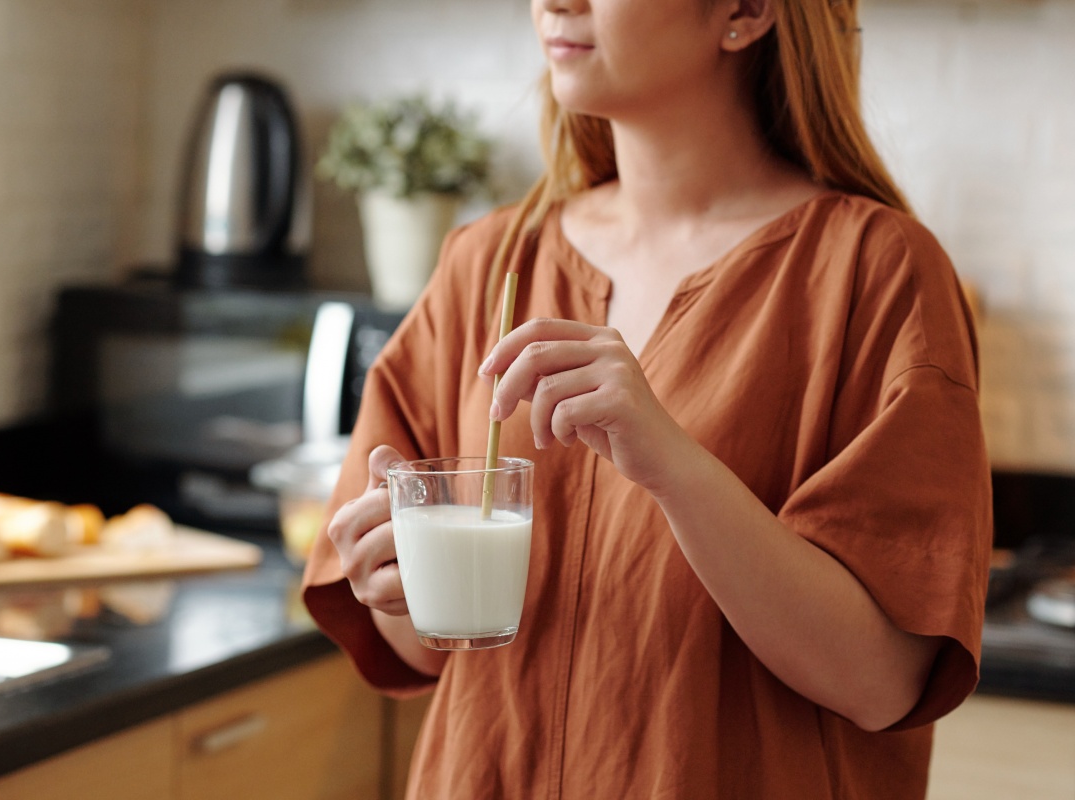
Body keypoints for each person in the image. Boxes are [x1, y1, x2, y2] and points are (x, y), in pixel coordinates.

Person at [303, 0, 993, 797]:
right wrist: (389, 582)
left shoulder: (879, 274)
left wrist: (674, 466)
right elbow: (424, 651)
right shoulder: (487, 263)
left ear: (745, 12)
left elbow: (884, 683)